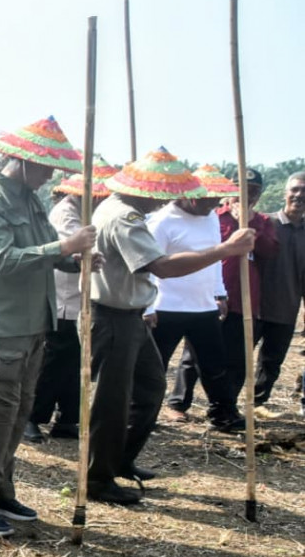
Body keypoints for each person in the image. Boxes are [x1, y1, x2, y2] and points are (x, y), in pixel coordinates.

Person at [88, 150, 254, 505]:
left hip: (130, 314)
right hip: (114, 316)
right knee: (112, 400)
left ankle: (119, 460)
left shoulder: (122, 210)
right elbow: (161, 267)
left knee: (148, 388)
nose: (163, 199)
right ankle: (98, 478)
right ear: (145, 190)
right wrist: (225, 249)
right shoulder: (124, 217)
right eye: (159, 192)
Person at [0, 116, 93, 538]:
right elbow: (3, 259)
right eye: (47, 165)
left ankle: (0, 490)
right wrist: (63, 246)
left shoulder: (32, 201)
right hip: (1, 324)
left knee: (19, 413)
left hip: (34, 323)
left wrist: (72, 258)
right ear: (21, 160)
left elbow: (45, 252)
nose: (52, 174)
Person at [170, 168, 278, 414]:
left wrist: (249, 222)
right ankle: (178, 403)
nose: (247, 195)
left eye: (254, 191)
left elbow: (269, 251)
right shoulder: (214, 217)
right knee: (194, 355)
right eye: (242, 189)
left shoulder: (262, 221)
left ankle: (223, 409)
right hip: (210, 296)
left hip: (244, 300)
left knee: (236, 359)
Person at [144, 167, 244, 434]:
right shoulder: (162, 222)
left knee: (214, 365)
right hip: (166, 307)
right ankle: (144, 415)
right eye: (208, 198)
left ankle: (223, 414)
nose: (214, 204)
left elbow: (215, 261)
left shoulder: (210, 218)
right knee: (155, 367)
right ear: (189, 195)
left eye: (216, 199)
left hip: (203, 306)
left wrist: (219, 292)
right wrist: (148, 306)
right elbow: (148, 267)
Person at [25, 167, 113, 443]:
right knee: (54, 363)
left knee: (75, 363)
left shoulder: (86, 213)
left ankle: (67, 418)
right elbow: (71, 247)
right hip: (63, 300)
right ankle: (32, 417)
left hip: (80, 300)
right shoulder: (66, 212)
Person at [251, 172, 305, 414]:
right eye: (295, 190)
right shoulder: (265, 223)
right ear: (285, 193)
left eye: (304, 191)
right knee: (236, 359)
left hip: (286, 308)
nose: (299, 195)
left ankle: (257, 404)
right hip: (253, 307)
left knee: (271, 363)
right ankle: (225, 407)